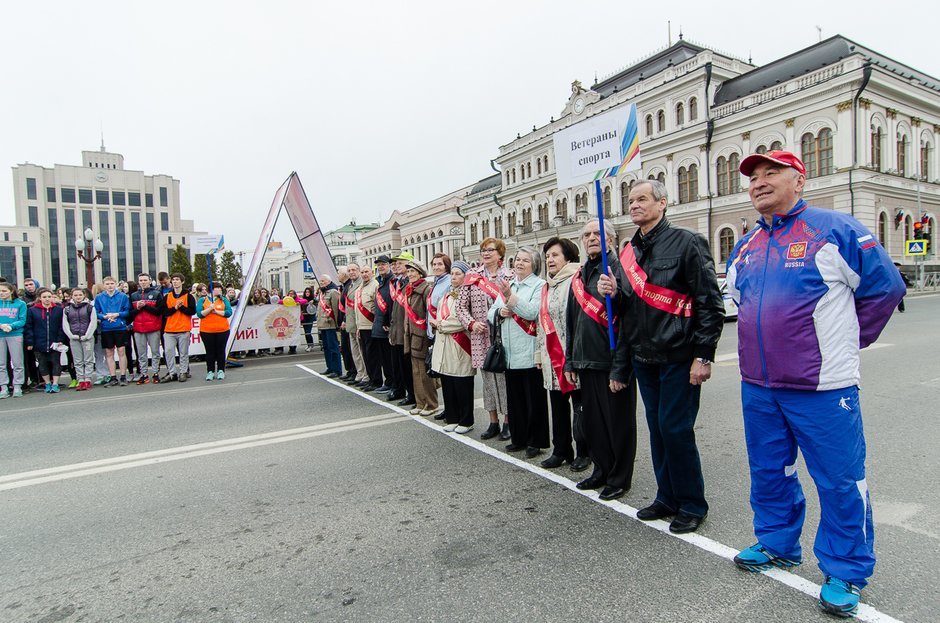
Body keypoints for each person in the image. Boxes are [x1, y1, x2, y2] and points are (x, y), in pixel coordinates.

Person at [727, 150, 905, 617]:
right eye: (754, 177)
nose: (759, 182)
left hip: (824, 388)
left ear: (799, 180)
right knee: (770, 470)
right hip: (759, 386)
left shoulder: (836, 229)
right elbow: (739, 302)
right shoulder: (745, 246)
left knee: (841, 480)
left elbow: (885, 288)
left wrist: (845, 342)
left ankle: (845, 569)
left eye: (772, 173)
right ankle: (776, 543)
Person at [610, 179, 724, 532]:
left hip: (678, 354)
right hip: (645, 357)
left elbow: (710, 303)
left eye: (643, 199)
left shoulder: (688, 242)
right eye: (631, 201)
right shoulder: (630, 250)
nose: (635, 205)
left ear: (662, 203)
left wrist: (703, 356)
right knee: (658, 430)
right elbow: (630, 311)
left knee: (676, 430)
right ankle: (666, 497)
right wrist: (614, 293)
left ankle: (692, 502)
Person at [565, 219, 636, 503]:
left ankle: (619, 477)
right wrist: (570, 361)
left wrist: (621, 368)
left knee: (617, 423)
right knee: (593, 423)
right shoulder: (581, 275)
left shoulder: (619, 271)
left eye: (598, 234)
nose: (592, 238)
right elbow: (573, 322)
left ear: (611, 240)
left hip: (611, 363)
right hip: (585, 360)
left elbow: (629, 320)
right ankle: (601, 469)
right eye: (587, 235)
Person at [535, 237, 590, 471]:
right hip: (550, 357)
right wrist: (539, 355)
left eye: (555, 255)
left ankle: (584, 451)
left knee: (580, 408)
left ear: (569, 257)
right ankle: (561, 449)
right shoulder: (547, 285)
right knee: (557, 407)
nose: (550, 260)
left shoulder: (577, 280)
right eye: (547, 256)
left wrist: (575, 357)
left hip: (572, 357)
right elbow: (540, 324)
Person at [489, 247, 548, 458]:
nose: (519, 263)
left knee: (534, 399)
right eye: (517, 260)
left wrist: (510, 300)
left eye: (525, 260)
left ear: (534, 264)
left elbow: (532, 312)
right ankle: (519, 437)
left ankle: (536, 441)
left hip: (530, 350)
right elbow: (491, 313)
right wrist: (499, 311)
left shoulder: (539, 285)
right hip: (510, 353)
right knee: (515, 400)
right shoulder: (510, 284)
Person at [457, 238, 512, 440]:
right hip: (481, 337)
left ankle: (508, 421)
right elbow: (461, 307)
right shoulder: (472, 277)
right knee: (488, 380)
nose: (486, 253)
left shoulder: (510, 275)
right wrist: (471, 324)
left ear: (500, 254)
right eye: (483, 250)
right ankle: (493, 421)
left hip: (505, 335)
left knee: (505, 380)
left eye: (490, 250)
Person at [431, 261, 475, 433]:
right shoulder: (446, 296)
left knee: (462, 384)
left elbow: (461, 321)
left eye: (459, 274)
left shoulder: (469, 294)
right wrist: (439, 323)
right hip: (444, 344)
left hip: (460, 344)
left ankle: (466, 420)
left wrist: (440, 325)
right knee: (448, 383)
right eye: (453, 274)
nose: (454, 277)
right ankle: (452, 417)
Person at [403, 259, 438, 416]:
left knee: (424, 374)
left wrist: (429, 336)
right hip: (411, 335)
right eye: (408, 271)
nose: (409, 274)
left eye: (412, 271)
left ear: (420, 273)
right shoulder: (410, 289)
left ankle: (431, 404)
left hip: (422, 336)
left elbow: (429, 313)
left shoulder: (425, 289)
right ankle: (420, 402)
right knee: (416, 372)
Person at [426, 253, 452, 420]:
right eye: (434, 264)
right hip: (434, 331)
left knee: (448, 373)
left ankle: (451, 409)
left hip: (445, 331)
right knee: (442, 373)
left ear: (446, 266)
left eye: (440, 264)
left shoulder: (449, 282)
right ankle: (448, 407)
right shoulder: (436, 283)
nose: (436, 267)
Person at [387, 253, 416, 406]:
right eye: (394, 264)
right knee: (398, 364)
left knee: (408, 366)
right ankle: (402, 390)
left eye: (400, 263)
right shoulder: (397, 283)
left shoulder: (410, 283)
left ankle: (412, 394)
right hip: (396, 329)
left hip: (406, 331)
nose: (396, 266)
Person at [25, 287, 65, 393]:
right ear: (40, 298)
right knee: (42, 363)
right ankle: (47, 383)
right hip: (39, 342)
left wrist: (60, 339)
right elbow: (29, 327)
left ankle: (55, 383)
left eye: (49, 297)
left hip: (55, 341)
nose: (47, 299)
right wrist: (30, 341)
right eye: (44, 297)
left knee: (56, 362)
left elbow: (62, 326)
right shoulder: (32, 310)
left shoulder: (59, 310)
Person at [94, 276, 131, 387]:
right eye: (107, 284)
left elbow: (127, 311)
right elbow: (96, 312)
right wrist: (105, 317)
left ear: (115, 284)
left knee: (121, 351)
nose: (110, 286)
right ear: (104, 285)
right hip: (106, 327)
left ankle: (123, 376)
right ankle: (113, 377)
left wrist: (117, 314)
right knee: (109, 353)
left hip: (119, 327)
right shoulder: (99, 297)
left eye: (111, 283)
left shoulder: (123, 296)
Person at [130, 273, 164, 384]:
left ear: (150, 281)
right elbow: (130, 314)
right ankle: (143, 374)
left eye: (145, 280)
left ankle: (155, 373)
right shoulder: (134, 295)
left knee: (155, 352)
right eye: (141, 280)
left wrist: (145, 306)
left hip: (153, 327)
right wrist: (139, 308)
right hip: (138, 328)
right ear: (138, 282)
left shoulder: (156, 294)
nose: (143, 282)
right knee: (141, 353)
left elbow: (159, 311)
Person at [162, 273, 196, 382]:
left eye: (177, 279)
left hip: (183, 328)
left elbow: (192, 311)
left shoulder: (188, 296)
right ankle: (172, 373)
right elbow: (164, 312)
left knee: (183, 352)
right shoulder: (168, 296)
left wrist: (181, 308)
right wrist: (175, 307)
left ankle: (183, 371)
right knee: (168, 351)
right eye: (173, 280)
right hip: (169, 329)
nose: (175, 281)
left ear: (182, 281)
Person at [62, 287, 97, 391]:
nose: (78, 297)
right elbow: (65, 323)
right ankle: (80, 379)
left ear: (84, 295)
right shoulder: (67, 309)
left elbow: (93, 322)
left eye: (80, 295)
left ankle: (88, 379)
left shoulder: (90, 307)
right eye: (76, 295)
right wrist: (71, 335)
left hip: (87, 337)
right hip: (74, 338)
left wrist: (88, 335)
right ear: (72, 296)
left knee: (88, 359)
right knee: (77, 360)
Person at [197, 283, 233, 380]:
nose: (219, 291)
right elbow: (200, 314)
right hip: (207, 330)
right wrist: (209, 309)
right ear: (211, 290)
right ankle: (210, 371)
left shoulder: (224, 300)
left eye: (220, 289)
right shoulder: (202, 300)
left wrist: (217, 312)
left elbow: (229, 312)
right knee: (210, 352)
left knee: (221, 351)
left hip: (222, 330)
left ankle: (221, 370)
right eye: (217, 289)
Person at [355, 265, 382, 391]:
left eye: (367, 272)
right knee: (366, 355)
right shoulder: (361, 286)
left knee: (373, 356)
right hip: (362, 326)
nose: (364, 274)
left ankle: (376, 380)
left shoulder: (375, 285)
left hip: (371, 325)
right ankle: (371, 379)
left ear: (372, 272)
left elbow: (376, 307)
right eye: (362, 272)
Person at [370, 256, 394, 392]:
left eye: (383, 264)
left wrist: (388, 321)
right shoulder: (381, 282)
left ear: (389, 266)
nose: (381, 267)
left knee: (389, 358)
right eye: (379, 265)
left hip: (387, 325)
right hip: (379, 325)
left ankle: (392, 382)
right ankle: (389, 381)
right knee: (384, 357)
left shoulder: (391, 282)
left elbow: (391, 304)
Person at [0, 282, 28, 398]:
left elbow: (22, 320)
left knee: (17, 362)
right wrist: (1, 325)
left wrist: (11, 326)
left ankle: (17, 385)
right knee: (1, 363)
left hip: (15, 334)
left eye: (4, 291)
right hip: (1, 334)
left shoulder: (20, 304)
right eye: (0, 291)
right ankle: (4, 387)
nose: (1, 293)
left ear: (11, 291)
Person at [343, 264, 369, 386]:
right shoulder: (351, 285)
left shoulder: (361, 284)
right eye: (349, 270)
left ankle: (365, 375)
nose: (351, 272)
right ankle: (360, 373)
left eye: (354, 270)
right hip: (351, 323)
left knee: (362, 352)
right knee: (355, 352)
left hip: (359, 323)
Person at [316, 274, 343, 377]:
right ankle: (330, 367)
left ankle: (337, 370)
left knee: (333, 348)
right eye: (320, 281)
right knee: (326, 348)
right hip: (323, 324)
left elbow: (336, 309)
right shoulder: (322, 292)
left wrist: (337, 324)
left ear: (329, 281)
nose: (321, 283)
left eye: (323, 281)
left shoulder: (333, 292)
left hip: (330, 324)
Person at [301, 286, 317, 351]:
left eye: (308, 292)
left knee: (308, 332)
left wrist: (313, 300)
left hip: (310, 317)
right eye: (306, 292)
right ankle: (309, 344)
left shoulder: (313, 299)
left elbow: (317, 300)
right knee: (306, 332)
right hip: (304, 318)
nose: (307, 293)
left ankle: (310, 345)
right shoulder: (303, 300)